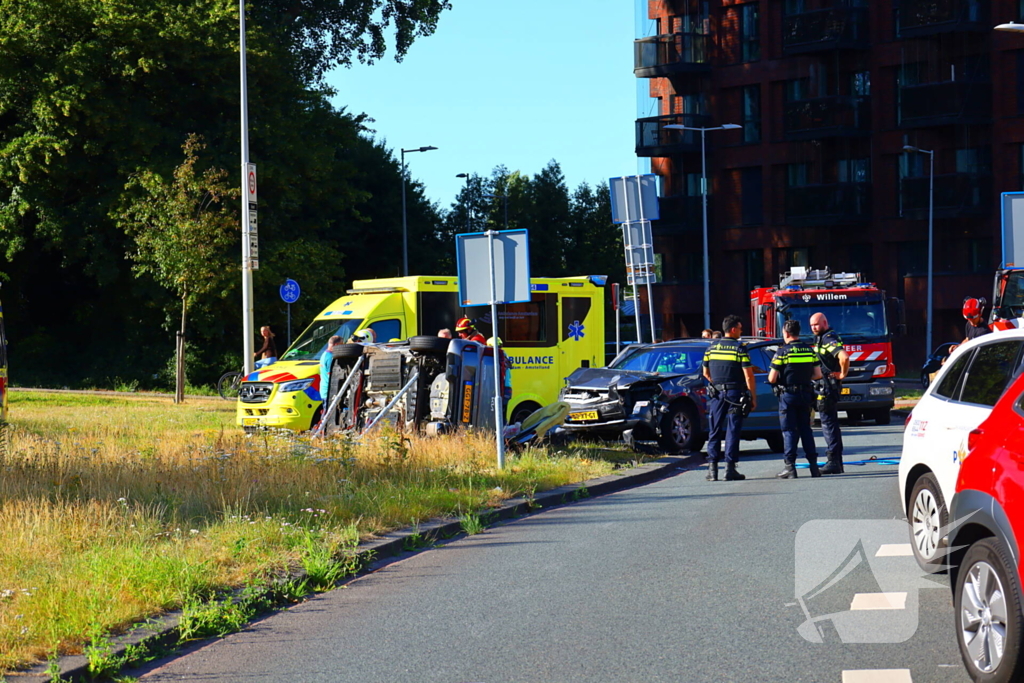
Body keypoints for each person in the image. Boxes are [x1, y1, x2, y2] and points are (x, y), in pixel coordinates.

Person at [701, 315, 757, 481]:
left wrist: (717, 384)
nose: (741, 331)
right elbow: (748, 376)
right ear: (733, 329)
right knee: (733, 430)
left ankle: (712, 470)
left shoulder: (711, 348)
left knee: (715, 430)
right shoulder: (740, 348)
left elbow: (705, 373)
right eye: (740, 328)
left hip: (717, 394)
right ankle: (730, 469)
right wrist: (752, 396)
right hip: (734, 394)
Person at [769, 319, 823, 479]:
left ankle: (790, 467)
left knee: (789, 431)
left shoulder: (782, 352)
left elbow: (772, 378)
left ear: (786, 333)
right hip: (805, 394)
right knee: (806, 430)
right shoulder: (809, 350)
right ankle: (814, 467)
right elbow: (818, 375)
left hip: (788, 395)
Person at [810, 312, 850, 475]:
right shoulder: (821, 338)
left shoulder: (828, 339)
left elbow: (844, 357)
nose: (814, 328)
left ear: (825, 323)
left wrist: (842, 374)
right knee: (830, 422)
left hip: (827, 386)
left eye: (816, 324)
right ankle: (837, 462)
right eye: (811, 325)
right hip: (826, 385)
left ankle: (833, 461)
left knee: (828, 424)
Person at [318, 335, 342, 401]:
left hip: (324, 390)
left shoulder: (325, 354)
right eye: (341, 344)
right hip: (329, 392)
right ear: (336, 345)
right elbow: (331, 375)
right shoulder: (330, 357)